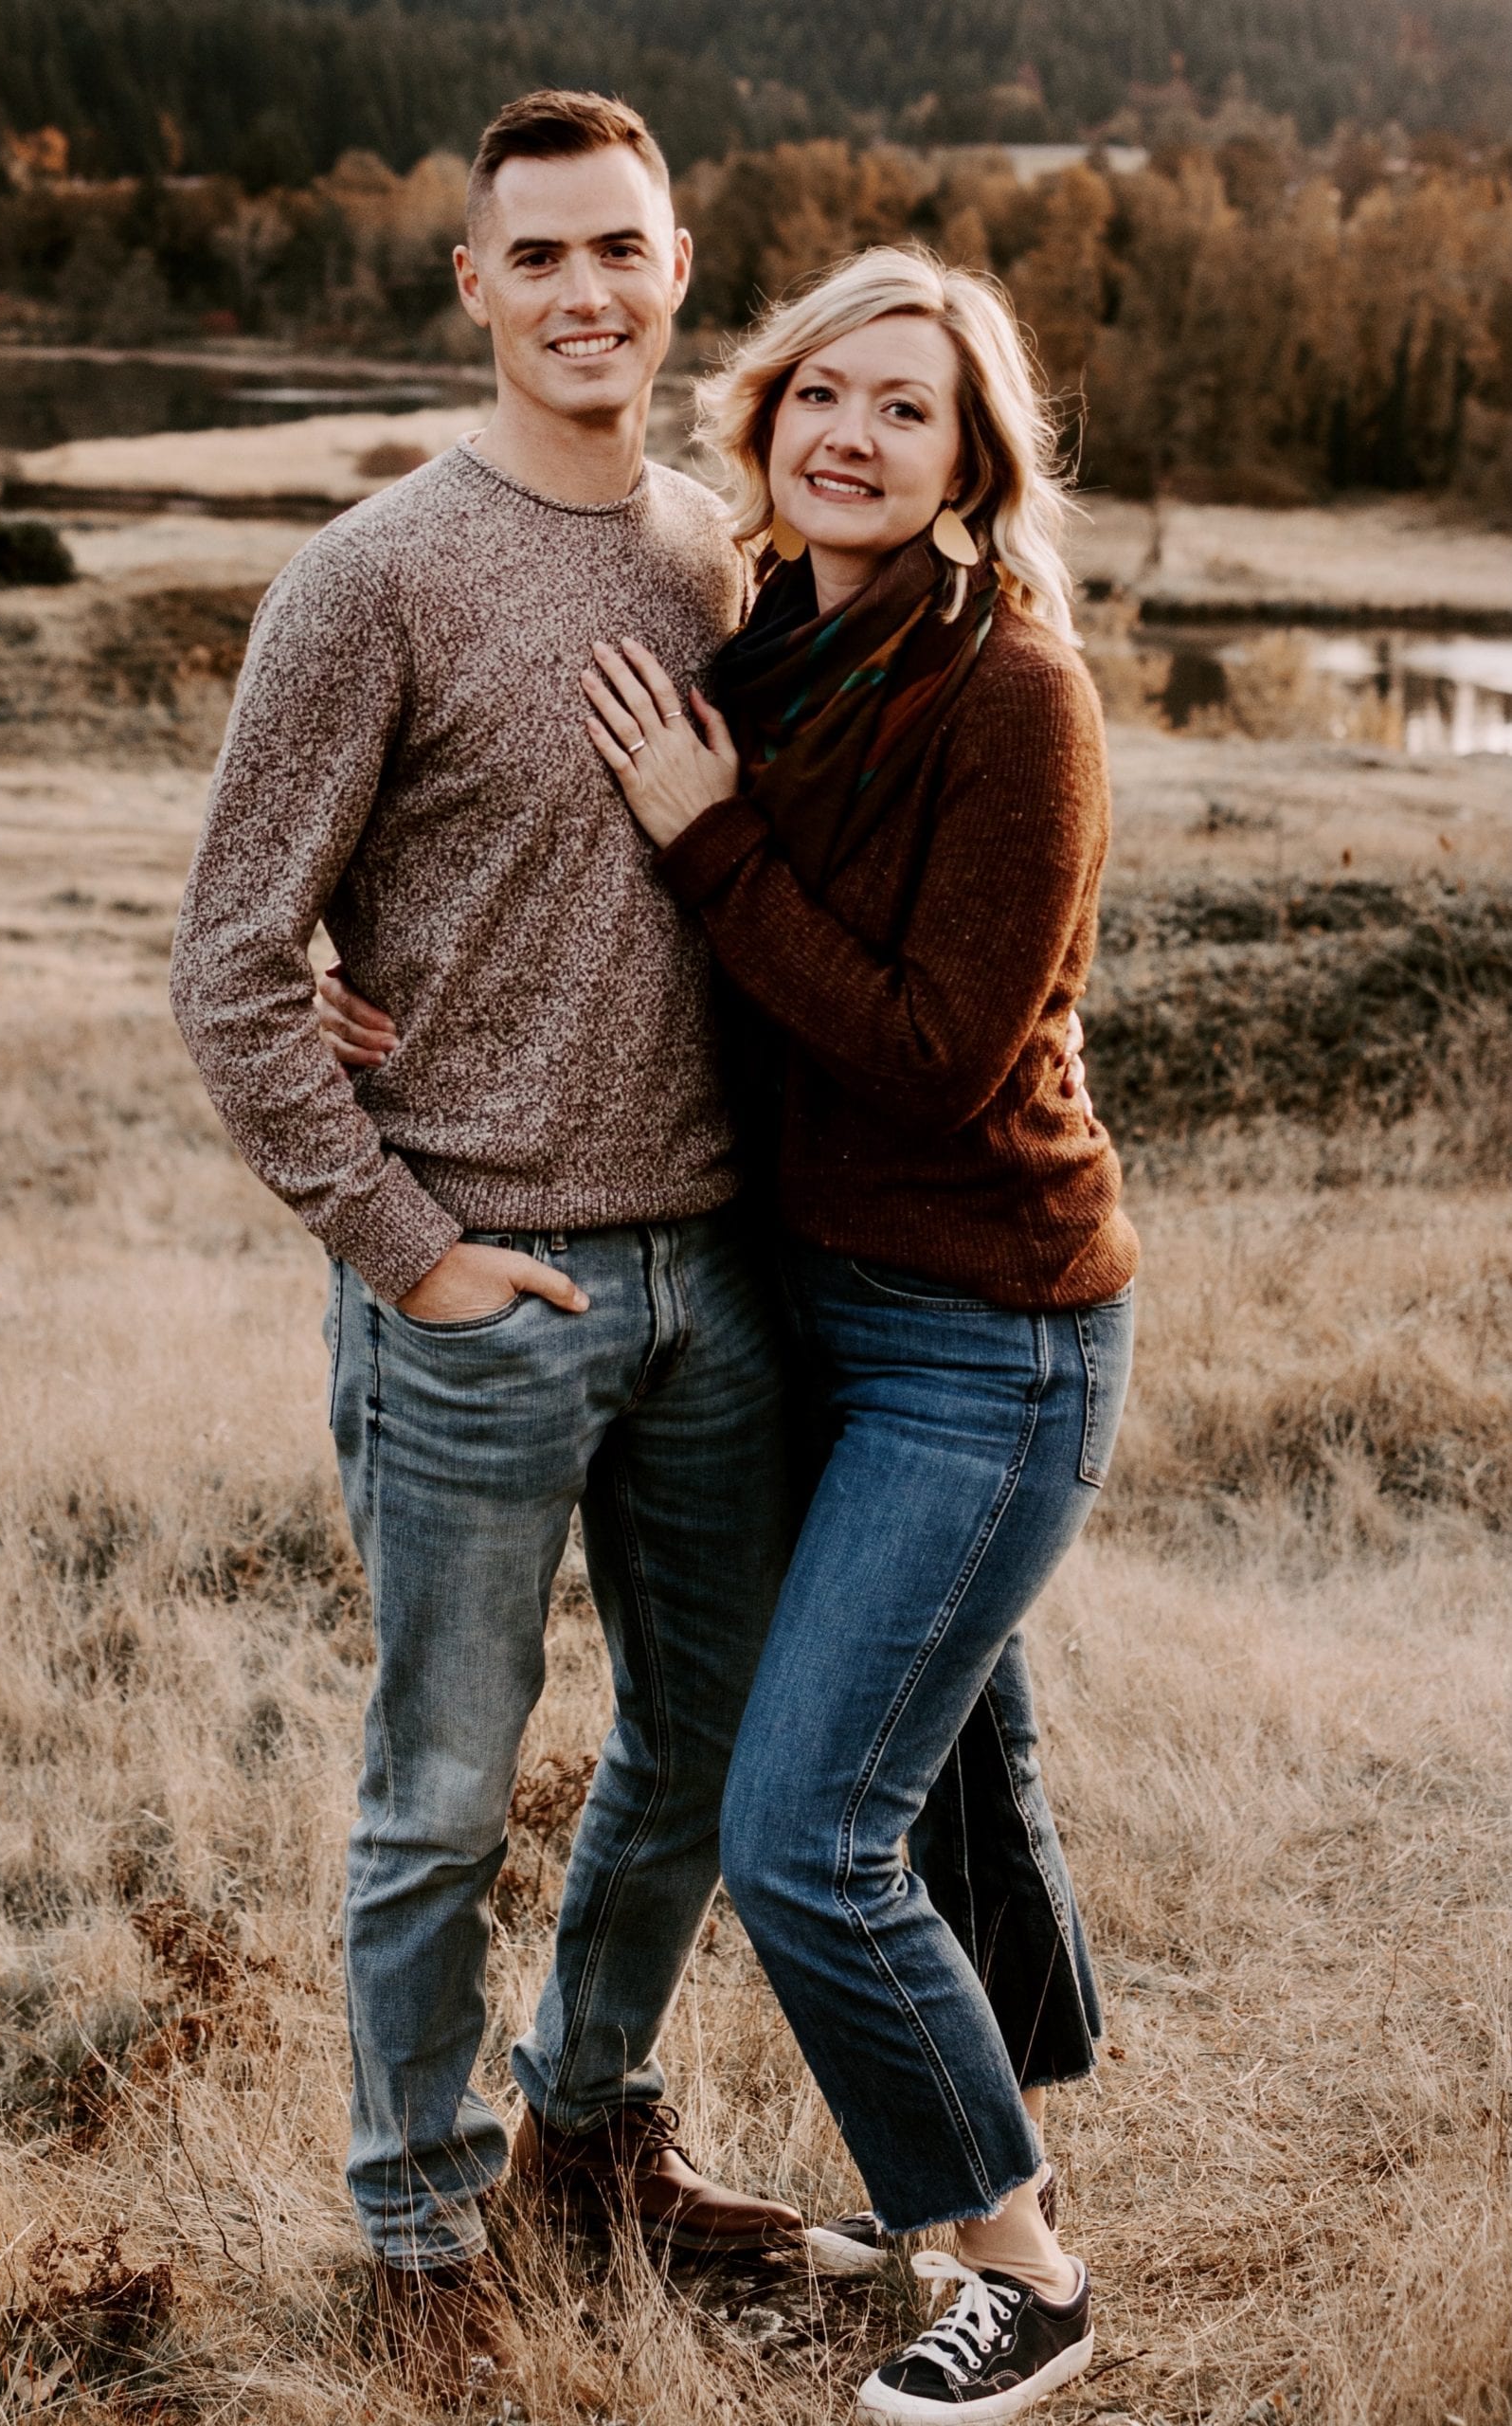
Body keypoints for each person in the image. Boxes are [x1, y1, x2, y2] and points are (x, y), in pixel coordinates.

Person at [170, 89, 811, 2398]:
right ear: (473, 286)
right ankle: (415, 2223)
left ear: (674, 263)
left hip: (713, 1278)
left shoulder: (716, 560)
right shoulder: (371, 576)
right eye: (535, 256)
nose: (585, 294)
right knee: (442, 1789)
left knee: (708, 1750)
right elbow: (236, 955)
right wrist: (405, 1246)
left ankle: (594, 2128)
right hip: (480, 1296)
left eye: (620, 251)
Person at [576, 246, 1139, 2420]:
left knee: (801, 1823)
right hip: (811, 1310)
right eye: (827, 391)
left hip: (983, 1338)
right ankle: (988, 2125)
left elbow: (927, 1048)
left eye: (909, 408)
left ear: (969, 458)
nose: (853, 434)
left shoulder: (1010, 691)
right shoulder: (777, 638)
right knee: (942, 1773)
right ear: (768, 413)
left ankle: (1017, 2268)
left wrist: (711, 846)